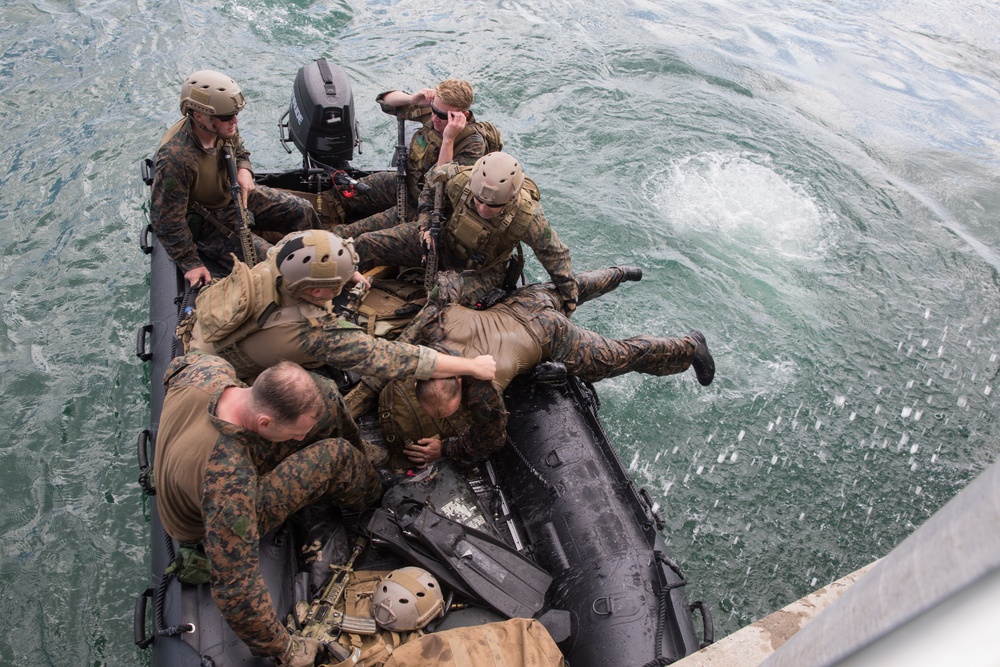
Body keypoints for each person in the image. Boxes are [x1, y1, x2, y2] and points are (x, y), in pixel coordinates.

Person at [154, 353, 381, 666]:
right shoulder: (230, 483)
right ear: (264, 422)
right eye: (296, 434)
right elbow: (235, 587)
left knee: (327, 394)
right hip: (196, 520)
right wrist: (285, 648)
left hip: (187, 463)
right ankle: (371, 496)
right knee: (338, 455)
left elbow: (174, 367)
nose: (301, 439)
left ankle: (362, 454)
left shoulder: (208, 369)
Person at [377, 267, 715, 468]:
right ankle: (619, 273)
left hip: (548, 335)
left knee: (616, 356)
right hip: (524, 301)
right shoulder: (433, 329)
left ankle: (689, 346)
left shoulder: (483, 389)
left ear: (461, 386)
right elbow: (448, 282)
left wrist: (445, 449)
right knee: (572, 289)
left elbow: (490, 439)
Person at [181, 229, 496, 386]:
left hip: (204, 329)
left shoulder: (279, 257)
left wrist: (348, 271)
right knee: (325, 393)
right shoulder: (319, 335)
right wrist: (471, 367)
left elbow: (306, 239)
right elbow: (394, 358)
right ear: (316, 291)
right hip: (215, 378)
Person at [150, 69, 321, 287]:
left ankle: (323, 255)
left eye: (234, 114)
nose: (235, 121)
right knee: (272, 261)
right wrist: (190, 262)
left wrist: (244, 170)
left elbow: (239, 150)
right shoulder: (177, 159)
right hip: (206, 221)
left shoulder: (223, 129)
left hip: (233, 194)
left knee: (303, 209)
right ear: (200, 116)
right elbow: (165, 220)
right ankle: (306, 281)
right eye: (226, 117)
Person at [354, 151, 579, 312]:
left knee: (442, 294)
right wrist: (424, 226)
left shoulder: (527, 217)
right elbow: (432, 183)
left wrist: (569, 297)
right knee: (366, 243)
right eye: (478, 200)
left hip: (483, 271)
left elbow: (555, 253)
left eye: (492, 206)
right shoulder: (460, 179)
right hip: (442, 242)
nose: (482, 208)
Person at [335, 78, 487, 239]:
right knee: (344, 192)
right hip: (407, 183)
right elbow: (386, 101)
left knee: (351, 235)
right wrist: (412, 99)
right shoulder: (435, 114)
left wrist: (449, 139)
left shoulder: (473, 145)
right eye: (434, 109)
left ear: (463, 115)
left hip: (425, 207)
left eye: (443, 115)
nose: (434, 118)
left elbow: (440, 184)